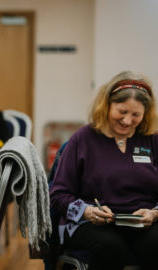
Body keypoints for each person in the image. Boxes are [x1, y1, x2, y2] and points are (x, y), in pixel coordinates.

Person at [50, 71, 158, 270]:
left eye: (136, 115)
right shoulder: (82, 139)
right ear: (107, 105)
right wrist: (87, 211)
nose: (127, 120)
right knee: (111, 248)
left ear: (145, 114)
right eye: (121, 111)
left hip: (143, 223)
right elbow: (57, 194)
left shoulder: (152, 139)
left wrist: (154, 213)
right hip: (89, 223)